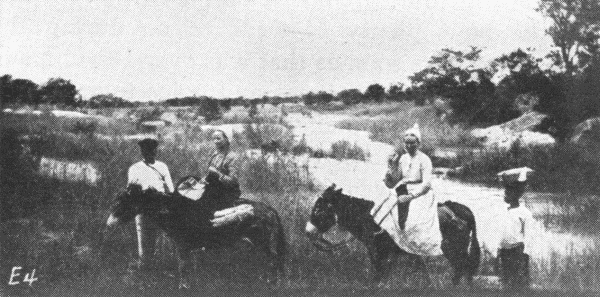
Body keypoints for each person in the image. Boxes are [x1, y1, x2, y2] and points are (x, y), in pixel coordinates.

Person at [373, 123, 442, 256]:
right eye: (406, 143)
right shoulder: (403, 158)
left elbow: (427, 184)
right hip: (401, 189)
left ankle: (415, 250)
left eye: (412, 143)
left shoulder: (424, 160)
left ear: (418, 143)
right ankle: (390, 243)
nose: (409, 146)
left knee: (413, 220)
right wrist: (391, 166)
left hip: (420, 193)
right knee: (382, 207)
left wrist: (410, 196)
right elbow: (392, 182)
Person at [127, 138, 174, 270]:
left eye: (152, 151)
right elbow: (131, 191)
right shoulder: (135, 168)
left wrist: (168, 201)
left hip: (161, 206)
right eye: (146, 151)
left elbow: (171, 189)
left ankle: (165, 266)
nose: (150, 153)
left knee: (168, 239)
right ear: (142, 152)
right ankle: (145, 269)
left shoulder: (162, 166)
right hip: (143, 208)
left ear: (156, 151)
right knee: (144, 244)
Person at [497, 167, 534, 290]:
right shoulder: (504, 211)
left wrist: (525, 255)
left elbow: (528, 235)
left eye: (508, 193)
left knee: (518, 282)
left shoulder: (524, 213)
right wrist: (498, 249)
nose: (505, 195)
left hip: (517, 252)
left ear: (516, 195)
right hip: (505, 251)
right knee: (505, 281)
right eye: (505, 192)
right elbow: (502, 232)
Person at [202, 130, 241, 210]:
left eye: (218, 138)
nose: (215, 141)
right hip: (213, 188)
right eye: (214, 139)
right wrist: (204, 179)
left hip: (227, 192)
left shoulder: (232, 157)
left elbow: (232, 181)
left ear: (227, 139)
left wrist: (217, 173)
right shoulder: (215, 155)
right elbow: (209, 174)